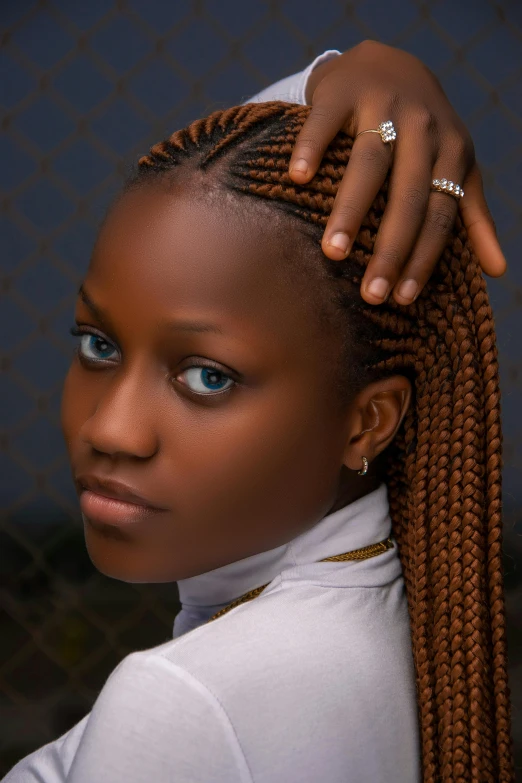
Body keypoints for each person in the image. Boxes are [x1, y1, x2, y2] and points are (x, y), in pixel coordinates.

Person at [2, 45, 514, 783]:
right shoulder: (421, 624)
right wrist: (341, 74)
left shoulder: (183, 705)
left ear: (368, 422)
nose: (110, 429)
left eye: (208, 377)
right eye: (98, 343)